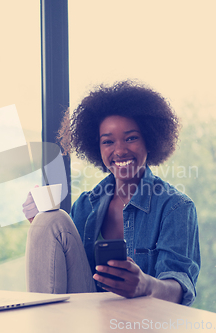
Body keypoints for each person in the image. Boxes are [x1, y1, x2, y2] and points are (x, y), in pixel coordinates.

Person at [22, 80, 200, 306]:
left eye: (131, 138)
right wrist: (41, 224)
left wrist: (145, 285)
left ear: (149, 139)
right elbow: (67, 272)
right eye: (108, 141)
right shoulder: (86, 205)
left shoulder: (176, 207)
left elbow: (179, 289)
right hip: (87, 319)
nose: (120, 150)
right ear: (97, 148)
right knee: (50, 220)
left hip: (145, 322)